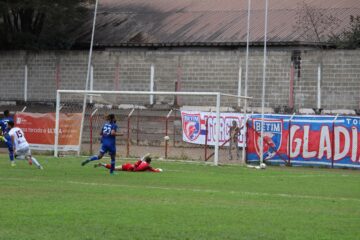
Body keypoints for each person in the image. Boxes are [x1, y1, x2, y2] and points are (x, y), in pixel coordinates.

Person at [94, 155, 162, 172]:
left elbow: (139, 165)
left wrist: (140, 159)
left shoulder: (144, 163)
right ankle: (103, 164)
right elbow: (154, 170)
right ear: (149, 162)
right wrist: (159, 170)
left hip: (128, 165)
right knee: (114, 169)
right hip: (131, 168)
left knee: (114, 168)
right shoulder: (148, 166)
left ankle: (103, 164)